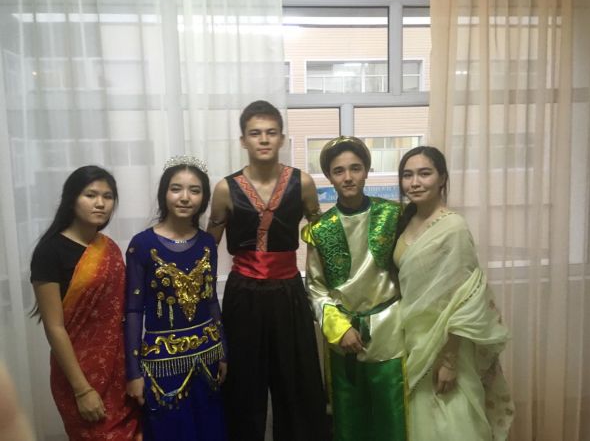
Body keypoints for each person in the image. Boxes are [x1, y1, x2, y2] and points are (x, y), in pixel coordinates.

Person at [207, 100, 327, 441]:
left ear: (282, 139)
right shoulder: (225, 188)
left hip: (289, 291)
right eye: (255, 133)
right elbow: (208, 249)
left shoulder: (302, 183)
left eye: (271, 133)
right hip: (243, 293)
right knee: (243, 384)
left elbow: (321, 240)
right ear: (243, 140)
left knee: (296, 382)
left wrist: (324, 286)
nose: (263, 139)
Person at [394, 146, 514, 440]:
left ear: (442, 178)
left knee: (451, 424)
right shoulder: (404, 222)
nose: (415, 182)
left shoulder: (453, 227)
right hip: (411, 341)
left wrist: (449, 360)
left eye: (424, 173)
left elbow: (467, 297)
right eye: (408, 175)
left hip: (445, 346)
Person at [303, 136, 407, 441]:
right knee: (349, 420)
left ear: (366, 171)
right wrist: (339, 328)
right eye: (339, 171)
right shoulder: (320, 229)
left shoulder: (394, 215)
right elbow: (316, 288)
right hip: (344, 337)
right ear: (329, 176)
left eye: (355, 168)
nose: (348, 177)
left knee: (393, 415)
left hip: (391, 331)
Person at [30, 165, 140, 440]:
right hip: (78, 375)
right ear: (71, 199)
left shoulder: (110, 248)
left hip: (119, 370)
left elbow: (123, 311)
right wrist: (82, 390)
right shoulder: (49, 251)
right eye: (90, 195)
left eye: (108, 196)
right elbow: (54, 327)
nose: (100, 203)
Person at [124, 156, 227, 441]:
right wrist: (133, 372)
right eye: (176, 189)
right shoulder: (141, 244)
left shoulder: (207, 243)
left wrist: (224, 351)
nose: (184, 197)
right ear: (164, 193)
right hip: (162, 365)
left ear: (204, 198)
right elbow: (133, 311)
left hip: (207, 358)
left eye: (194, 190)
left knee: (210, 430)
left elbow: (211, 300)